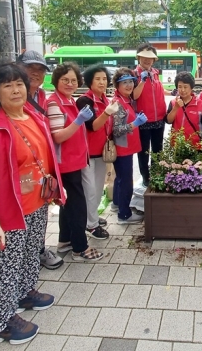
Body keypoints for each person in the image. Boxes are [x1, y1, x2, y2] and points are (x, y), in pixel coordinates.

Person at [0, 62, 65, 345]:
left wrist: (56, 189)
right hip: (10, 211)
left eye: (19, 83)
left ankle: (25, 293)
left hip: (37, 201)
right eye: (7, 85)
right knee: (8, 264)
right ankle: (2, 322)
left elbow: (46, 157)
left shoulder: (34, 116)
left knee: (31, 252)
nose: (15, 90)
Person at [0, 50, 63, 270]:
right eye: (30, 68)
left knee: (30, 255)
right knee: (10, 263)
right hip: (12, 199)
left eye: (40, 70)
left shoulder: (39, 99)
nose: (35, 73)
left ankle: (38, 256)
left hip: (37, 191)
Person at [46, 63, 104, 262]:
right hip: (66, 163)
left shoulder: (69, 100)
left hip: (75, 160)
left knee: (68, 203)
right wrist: (78, 121)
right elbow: (58, 136)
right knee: (78, 206)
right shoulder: (54, 103)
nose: (70, 84)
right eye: (65, 80)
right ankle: (80, 248)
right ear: (56, 81)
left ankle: (65, 241)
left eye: (73, 80)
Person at [76, 65, 120, 238]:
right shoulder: (84, 101)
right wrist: (107, 113)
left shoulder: (105, 100)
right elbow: (93, 126)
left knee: (98, 187)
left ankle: (91, 217)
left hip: (102, 152)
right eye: (98, 79)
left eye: (104, 79)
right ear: (89, 81)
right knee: (90, 190)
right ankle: (91, 226)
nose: (102, 82)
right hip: (87, 153)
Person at [112, 68, 148, 224]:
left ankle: (117, 204)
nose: (129, 85)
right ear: (117, 85)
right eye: (124, 82)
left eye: (131, 82)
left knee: (120, 178)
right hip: (122, 148)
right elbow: (116, 130)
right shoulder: (118, 103)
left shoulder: (126, 99)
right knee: (125, 181)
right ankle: (124, 215)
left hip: (126, 147)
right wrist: (135, 123)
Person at [132, 44, 167, 186]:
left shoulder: (155, 73)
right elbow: (134, 96)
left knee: (158, 149)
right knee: (144, 151)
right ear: (138, 58)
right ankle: (145, 176)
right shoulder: (134, 75)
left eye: (150, 58)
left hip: (159, 118)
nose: (147, 60)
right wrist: (142, 80)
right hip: (143, 119)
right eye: (144, 57)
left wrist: (171, 92)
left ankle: (157, 173)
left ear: (154, 60)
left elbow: (158, 92)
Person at [165, 71, 202, 147]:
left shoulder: (200, 104)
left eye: (185, 87)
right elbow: (168, 121)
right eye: (180, 87)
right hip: (177, 146)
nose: (182, 90)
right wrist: (176, 108)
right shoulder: (173, 102)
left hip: (195, 147)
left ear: (191, 87)